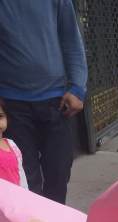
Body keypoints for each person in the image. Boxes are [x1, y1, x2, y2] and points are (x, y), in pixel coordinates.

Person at [0, 1, 88, 204]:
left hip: (57, 103)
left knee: (59, 174)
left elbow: (71, 40)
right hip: (13, 105)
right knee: (25, 180)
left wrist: (77, 87)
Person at [0, 98, 28, 189]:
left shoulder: (12, 145)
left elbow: (21, 175)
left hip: (15, 196)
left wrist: (25, 194)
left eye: (0, 116)